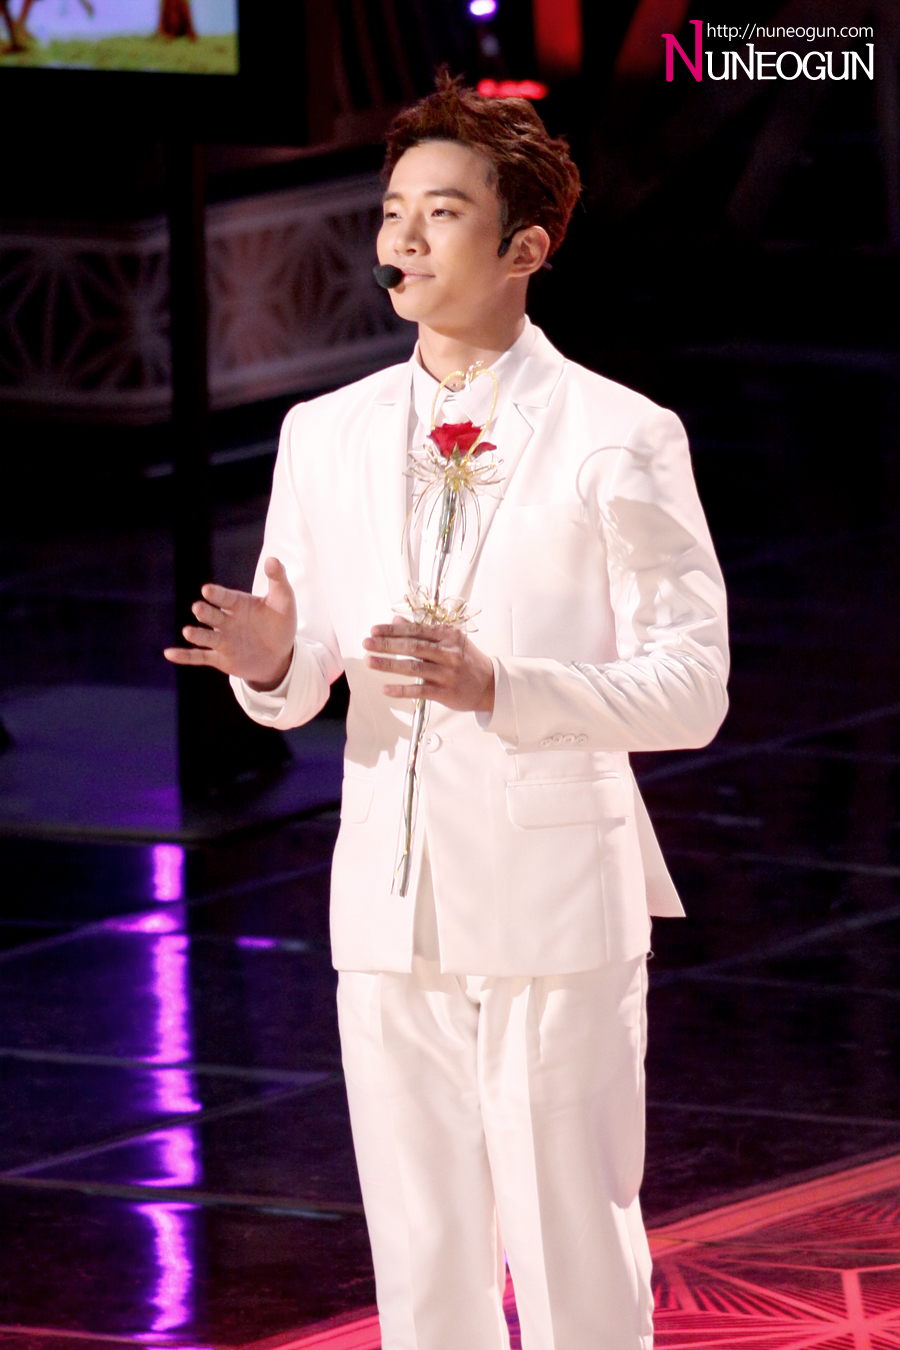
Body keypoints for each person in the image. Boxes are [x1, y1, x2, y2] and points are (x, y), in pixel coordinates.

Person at [165, 74, 728, 1350]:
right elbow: (302, 671)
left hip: (551, 903)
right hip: (386, 906)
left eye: (443, 213)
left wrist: (502, 687)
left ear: (524, 248)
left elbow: (693, 687)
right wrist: (272, 660)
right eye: (393, 211)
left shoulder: (619, 435)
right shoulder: (325, 433)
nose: (403, 239)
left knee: (572, 1247)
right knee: (419, 1265)